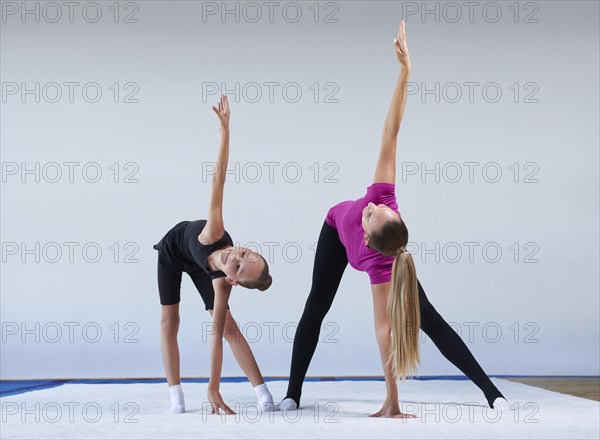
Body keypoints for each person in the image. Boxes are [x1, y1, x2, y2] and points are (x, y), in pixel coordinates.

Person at [278, 20, 508, 418]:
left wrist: (392, 400)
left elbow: (383, 331)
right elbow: (391, 131)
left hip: (368, 253)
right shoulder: (384, 197)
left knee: (429, 320)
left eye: (370, 214)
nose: (367, 205)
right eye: (375, 208)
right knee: (316, 306)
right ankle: (292, 394)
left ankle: (492, 394)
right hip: (333, 232)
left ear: (367, 240)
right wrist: (406, 72)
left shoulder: (379, 264)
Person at [153, 95, 274, 415]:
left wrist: (213, 388)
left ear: (231, 280)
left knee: (228, 326)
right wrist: (225, 132)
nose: (233, 253)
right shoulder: (216, 233)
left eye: (236, 264)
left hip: (201, 267)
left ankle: (262, 392)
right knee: (170, 320)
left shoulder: (221, 283)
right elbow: (218, 181)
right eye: (243, 252)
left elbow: (217, 336)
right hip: (173, 251)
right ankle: (175, 393)